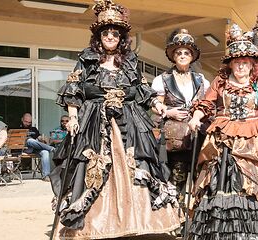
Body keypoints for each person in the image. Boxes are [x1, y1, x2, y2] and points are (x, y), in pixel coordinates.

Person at [50, 0, 181, 238]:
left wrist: (159, 105)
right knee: (92, 168)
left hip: (128, 123)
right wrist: (72, 116)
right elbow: (74, 89)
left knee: (136, 166)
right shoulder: (87, 59)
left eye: (115, 33)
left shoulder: (129, 61)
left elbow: (142, 89)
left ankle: (135, 221)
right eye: (106, 32)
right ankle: (94, 224)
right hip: (93, 121)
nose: (110, 36)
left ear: (121, 37)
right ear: (98, 36)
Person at [187, 24, 258, 239]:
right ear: (231, 64)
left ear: (252, 64)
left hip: (255, 141)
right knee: (217, 181)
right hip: (224, 139)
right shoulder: (221, 82)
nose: (241, 66)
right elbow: (206, 103)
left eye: (245, 62)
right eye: (237, 62)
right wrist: (196, 118)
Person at [150, 28, 210, 209]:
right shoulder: (163, 79)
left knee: (199, 177)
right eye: (179, 53)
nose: (183, 56)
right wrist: (169, 112)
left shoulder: (201, 80)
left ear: (192, 56)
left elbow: (208, 105)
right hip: (175, 138)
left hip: (198, 134)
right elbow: (154, 106)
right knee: (177, 177)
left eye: (186, 53)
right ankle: (176, 216)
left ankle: (196, 216)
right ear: (173, 56)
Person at [20, 112, 54, 181]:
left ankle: (46, 175)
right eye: (26, 122)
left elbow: (39, 137)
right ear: (22, 119)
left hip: (34, 148)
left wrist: (43, 138)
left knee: (45, 152)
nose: (27, 124)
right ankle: (51, 148)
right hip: (23, 149)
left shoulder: (33, 129)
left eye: (29, 122)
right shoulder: (17, 128)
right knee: (30, 140)